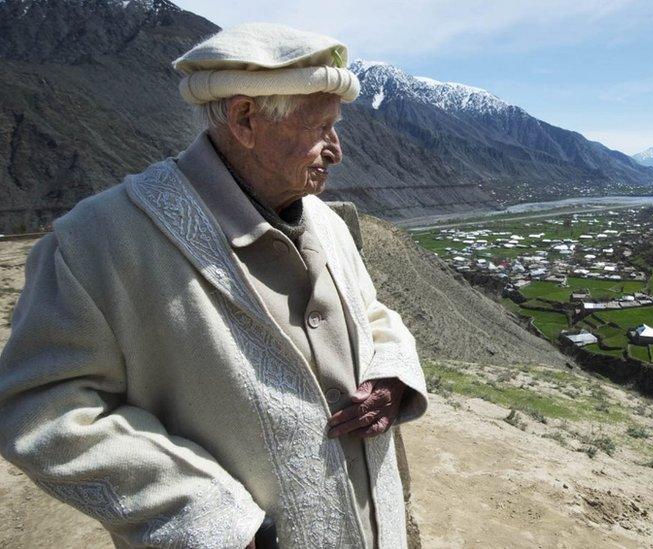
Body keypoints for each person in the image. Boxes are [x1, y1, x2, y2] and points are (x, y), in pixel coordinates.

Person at [0, 23, 427, 549]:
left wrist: (391, 375)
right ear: (246, 118)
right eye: (320, 127)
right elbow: (42, 409)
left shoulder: (327, 223)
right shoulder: (97, 244)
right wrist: (203, 514)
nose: (335, 149)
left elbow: (372, 314)